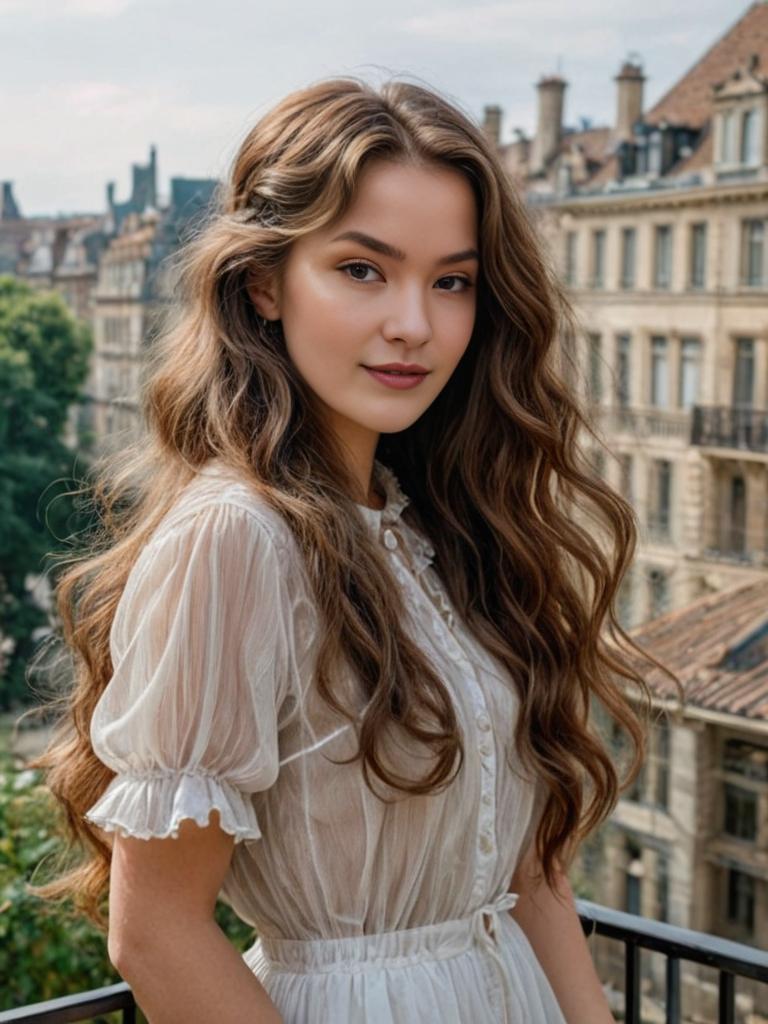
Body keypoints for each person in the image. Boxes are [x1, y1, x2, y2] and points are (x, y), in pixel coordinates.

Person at [25, 74, 677, 1023]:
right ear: (264, 284)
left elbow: (529, 877)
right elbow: (154, 929)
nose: (415, 323)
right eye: (363, 269)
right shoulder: (237, 538)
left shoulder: (439, 527)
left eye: (451, 280)